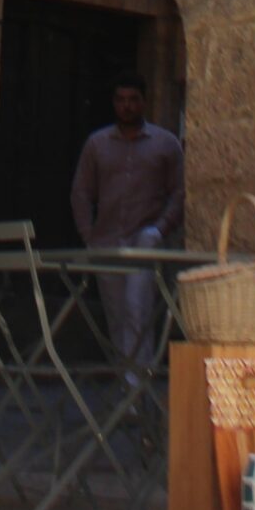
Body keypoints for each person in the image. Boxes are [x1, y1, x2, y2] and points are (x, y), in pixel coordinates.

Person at [69, 77, 183, 366]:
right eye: (121, 100)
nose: (127, 106)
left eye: (133, 99)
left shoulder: (165, 144)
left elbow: (180, 191)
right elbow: (81, 192)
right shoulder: (97, 144)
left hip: (145, 241)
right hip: (107, 242)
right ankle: (129, 384)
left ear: (143, 101)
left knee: (138, 311)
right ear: (114, 103)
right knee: (117, 316)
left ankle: (135, 388)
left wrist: (160, 229)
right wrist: (88, 235)